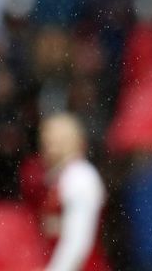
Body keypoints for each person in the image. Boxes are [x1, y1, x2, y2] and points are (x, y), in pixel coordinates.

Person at [37, 112, 109, 271]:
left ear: (77, 141)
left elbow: (78, 241)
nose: (50, 143)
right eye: (47, 137)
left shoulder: (80, 176)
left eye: (59, 138)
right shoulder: (59, 177)